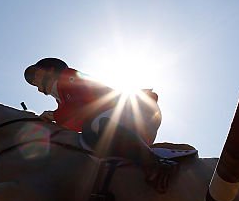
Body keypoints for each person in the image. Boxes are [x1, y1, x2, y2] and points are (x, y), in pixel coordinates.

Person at [23, 57, 173, 190]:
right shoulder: (62, 100)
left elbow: (82, 107)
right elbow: (74, 122)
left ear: (51, 70)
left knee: (95, 125)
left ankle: (156, 164)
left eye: (35, 75)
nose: (34, 83)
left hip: (138, 107)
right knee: (88, 142)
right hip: (126, 116)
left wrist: (54, 116)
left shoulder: (70, 76)